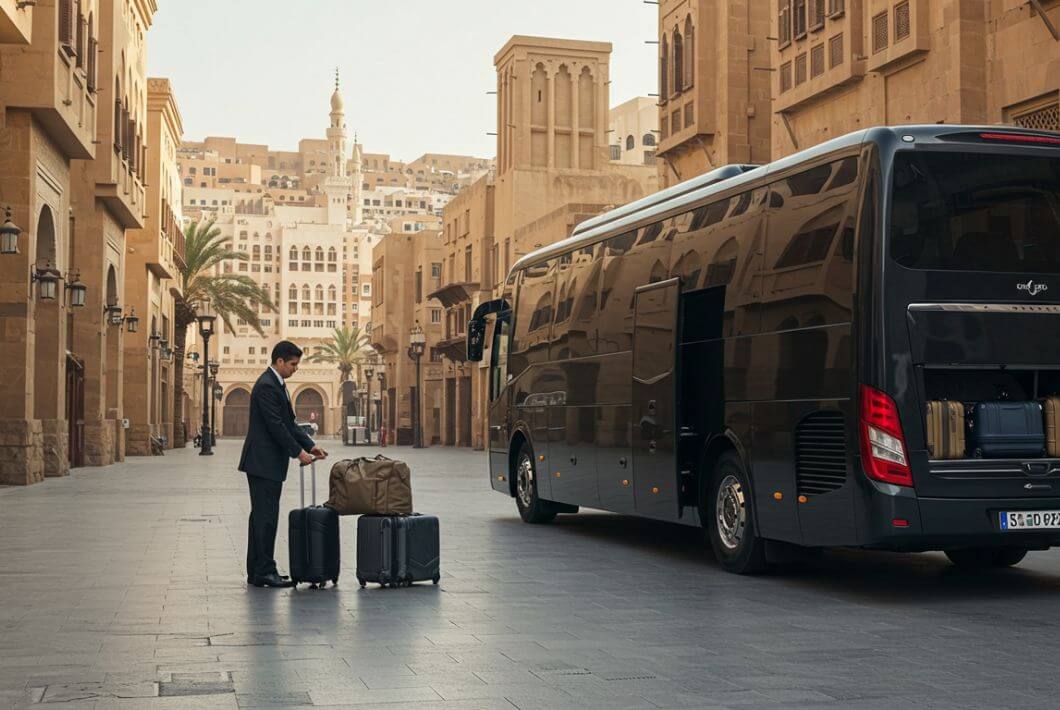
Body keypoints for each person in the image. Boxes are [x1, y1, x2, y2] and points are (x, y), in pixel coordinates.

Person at [239, 341, 328, 588]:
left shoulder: (277, 384)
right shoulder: (267, 386)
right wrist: (298, 453)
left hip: (266, 463)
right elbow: (275, 426)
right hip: (262, 462)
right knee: (265, 518)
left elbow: (289, 423)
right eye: (293, 364)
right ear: (279, 361)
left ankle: (258, 571)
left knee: (262, 517)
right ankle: (264, 571)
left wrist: (310, 445)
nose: (295, 369)